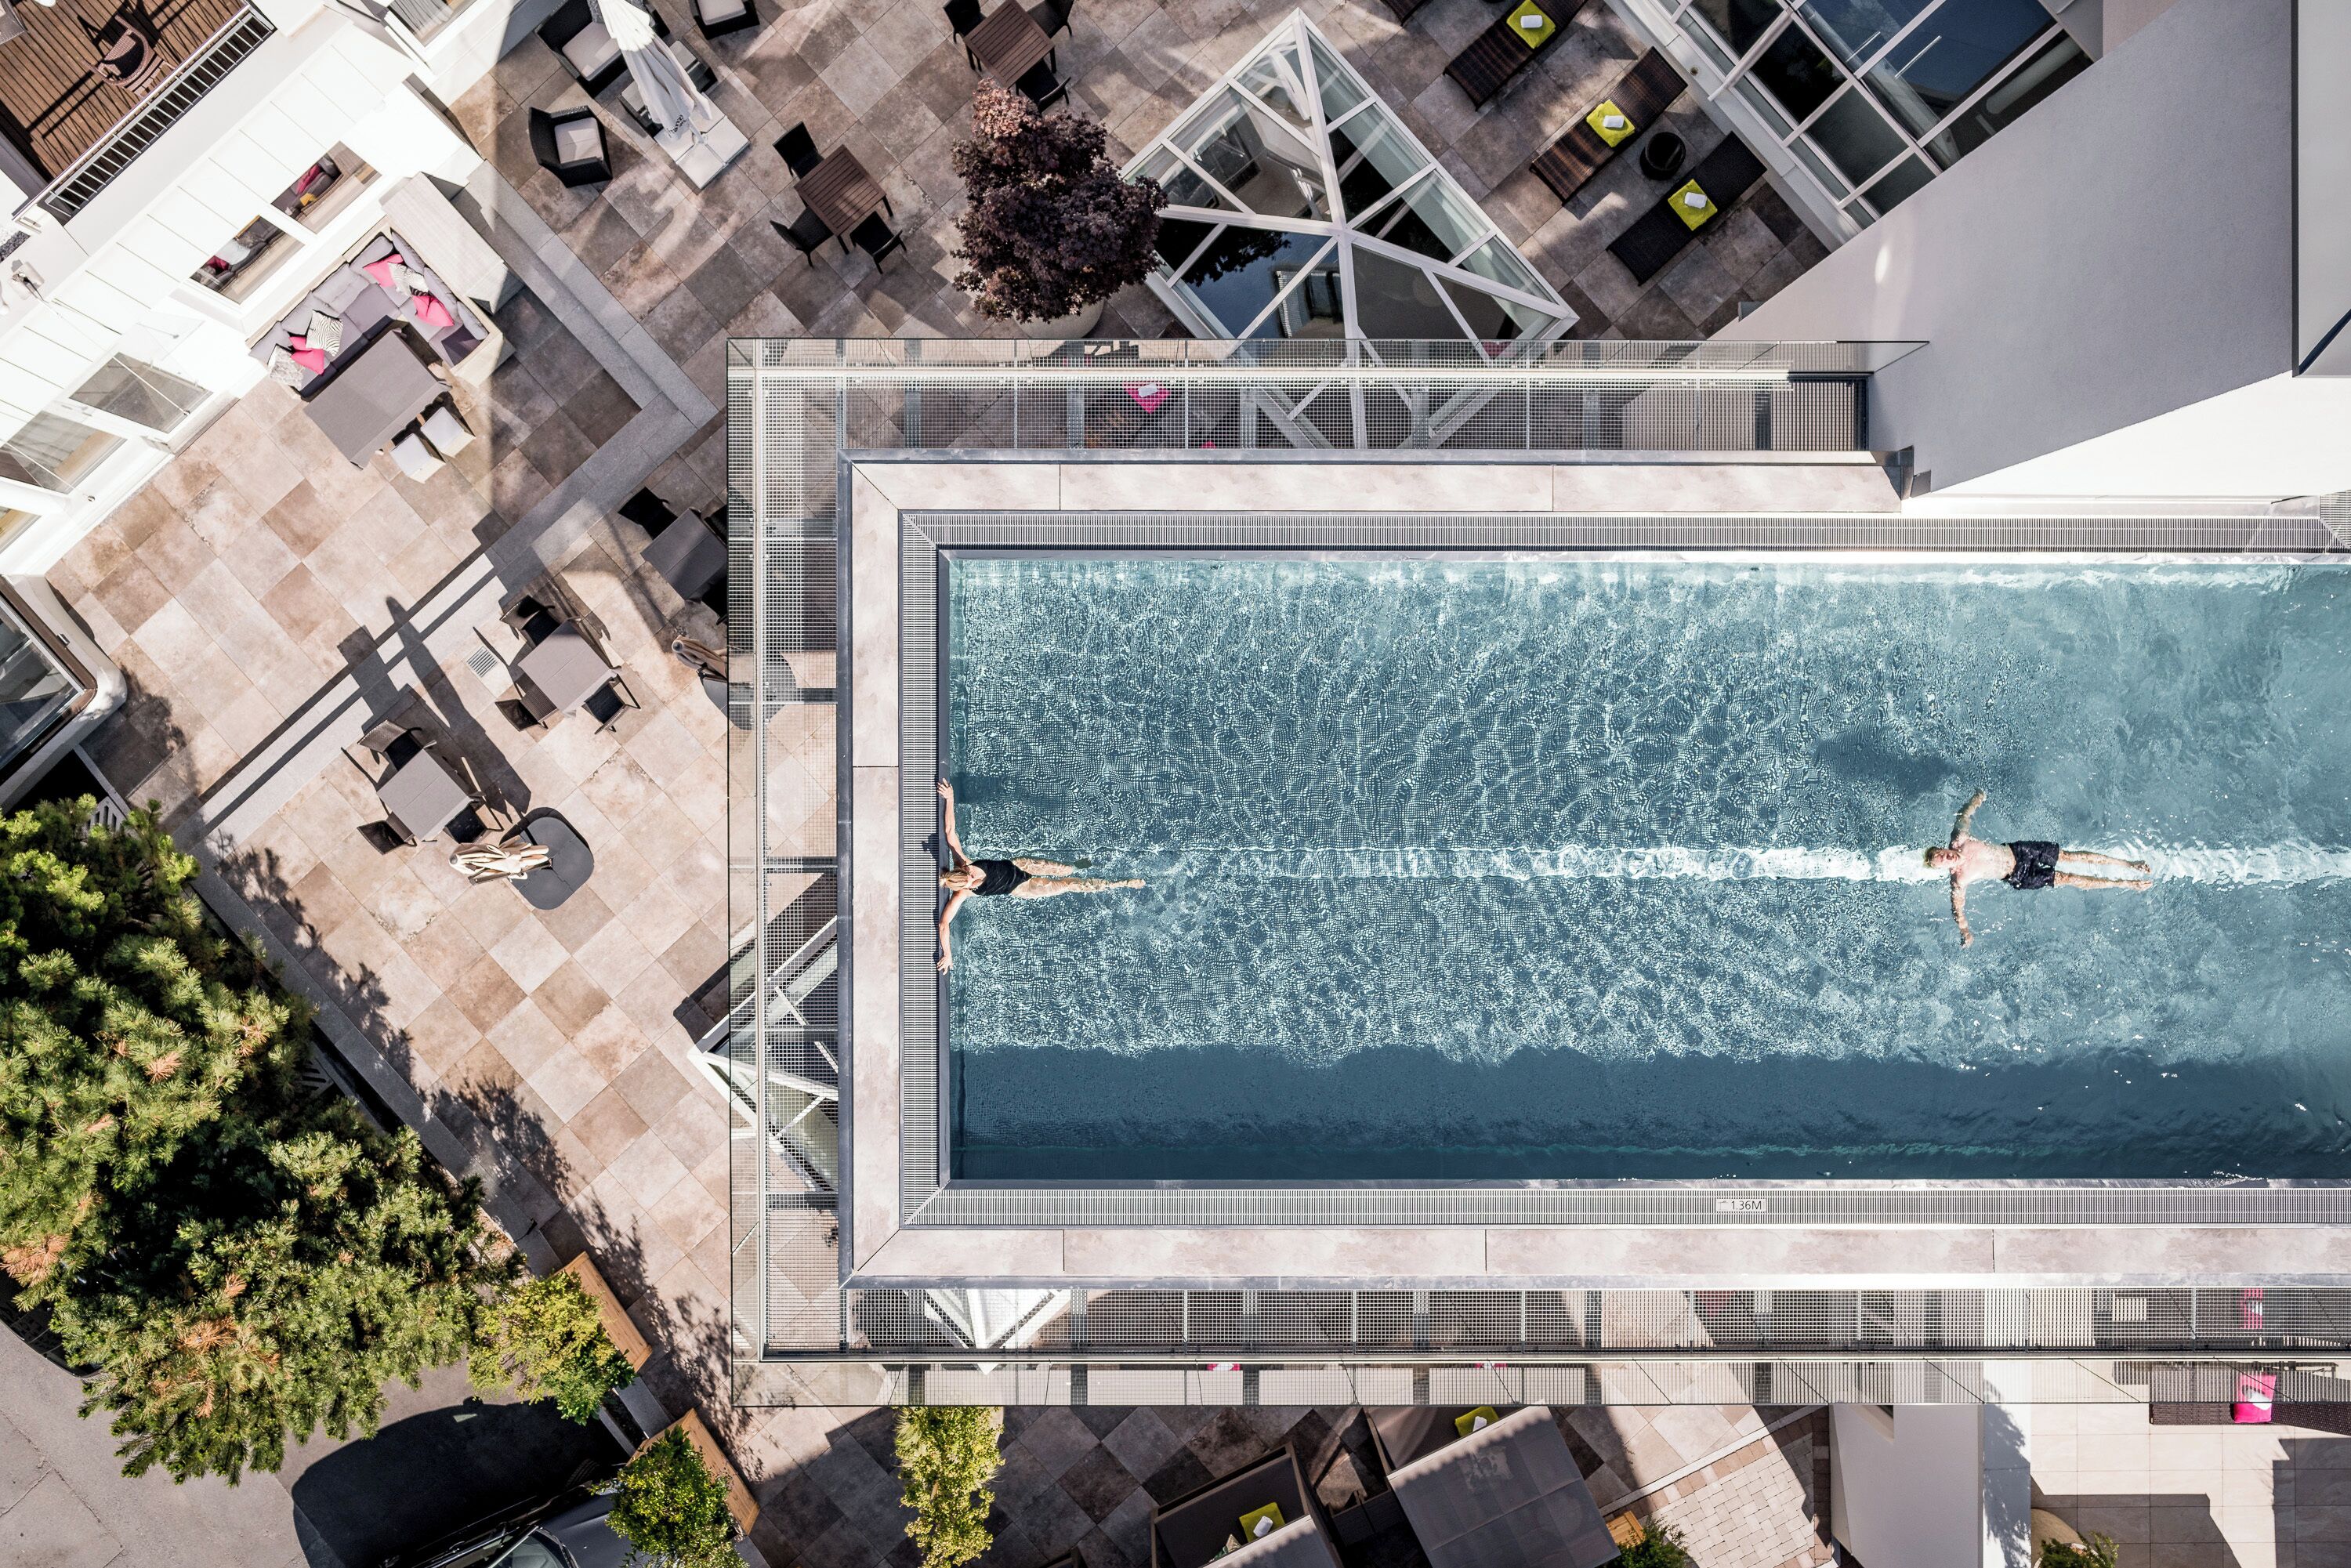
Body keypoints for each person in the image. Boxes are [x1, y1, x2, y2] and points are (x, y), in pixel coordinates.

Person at [935, 778, 1142, 972]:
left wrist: (950, 798)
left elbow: (950, 832)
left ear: (961, 869)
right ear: (962, 888)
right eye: (970, 883)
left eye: (969, 874)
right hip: (1021, 888)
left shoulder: (964, 862)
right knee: (1068, 885)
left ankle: (1077, 866)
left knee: (1067, 870)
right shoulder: (961, 895)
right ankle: (1121, 883)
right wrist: (948, 954)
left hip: (1019, 865)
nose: (973, 878)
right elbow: (944, 924)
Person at [1924, 788, 2151, 947]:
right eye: (1942, 861)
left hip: (2020, 851)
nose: (1946, 857)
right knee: (2067, 877)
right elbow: (1958, 910)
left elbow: (1964, 815)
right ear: (1945, 868)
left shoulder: (1960, 839)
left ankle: (2129, 864)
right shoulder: (1959, 880)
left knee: (2070, 857)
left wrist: (1976, 799)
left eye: (1941, 854)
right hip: (2020, 875)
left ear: (1943, 848)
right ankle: (2127, 883)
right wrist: (1965, 931)